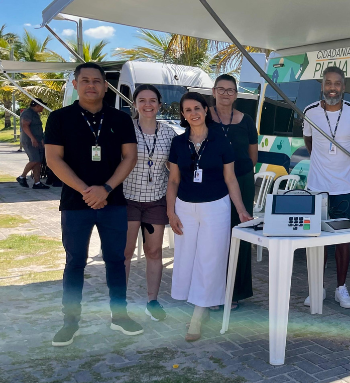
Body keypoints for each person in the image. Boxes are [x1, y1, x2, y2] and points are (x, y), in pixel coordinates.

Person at [44, 62, 143, 347]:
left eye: (97, 81)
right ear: (75, 84)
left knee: (116, 260)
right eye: (85, 80)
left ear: (105, 86)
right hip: (76, 203)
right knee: (75, 262)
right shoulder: (59, 118)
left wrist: (107, 189)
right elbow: (53, 159)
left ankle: (119, 317)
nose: (91, 85)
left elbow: (130, 157)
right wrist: (87, 191)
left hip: (113, 202)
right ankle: (70, 322)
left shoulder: (121, 119)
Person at [166, 92, 251, 342]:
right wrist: (170, 212)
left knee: (210, 259)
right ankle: (199, 307)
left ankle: (197, 316)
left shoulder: (221, 140)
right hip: (185, 207)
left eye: (197, 108)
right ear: (183, 115)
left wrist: (241, 209)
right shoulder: (178, 143)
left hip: (216, 207)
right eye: (187, 110)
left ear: (205, 110)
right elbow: (173, 180)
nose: (193, 113)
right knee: (187, 259)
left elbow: (230, 179)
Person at [301, 66, 350, 309]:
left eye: (337, 83)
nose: (332, 88)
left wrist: (347, 164)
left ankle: (341, 288)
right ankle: (317, 287)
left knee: (343, 239)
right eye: (328, 83)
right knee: (316, 238)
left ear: (344, 87)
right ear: (322, 86)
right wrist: (322, 163)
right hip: (317, 186)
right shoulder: (310, 112)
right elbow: (309, 141)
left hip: (345, 187)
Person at [122, 84, 177, 321]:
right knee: (125, 253)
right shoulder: (125, 129)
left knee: (153, 252)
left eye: (152, 100)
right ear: (135, 104)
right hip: (128, 199)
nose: (147, 105)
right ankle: (119, 303)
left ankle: (152, 301)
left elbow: (173, 170)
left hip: (156, 201)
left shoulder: (169, 133)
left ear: (159, 104)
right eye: (142, 100)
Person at [209, 74, 258, 311]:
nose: (225, 94)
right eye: (221, 89)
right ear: (214, 91)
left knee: (239, 233)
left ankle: (235, 291)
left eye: (230, 90)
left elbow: (253, 156)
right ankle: (212, 291)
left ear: (236, 94)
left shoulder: (246, 120)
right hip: (212, 183)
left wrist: (238, 176)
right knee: (214, 236)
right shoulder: (203, 116)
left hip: (242, 182)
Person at [17, 98, 50, 189]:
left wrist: (41, 139)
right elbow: (25, 125)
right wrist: (32, 138)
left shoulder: (35, 114)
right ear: (37, 106)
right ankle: (22, 177)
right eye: (42, 106)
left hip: (38, 141)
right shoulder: (27, 113)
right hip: (30, 141)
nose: (43, 108)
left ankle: (37, 182)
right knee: (35, 159)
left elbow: (38, 128)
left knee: (38, 162)